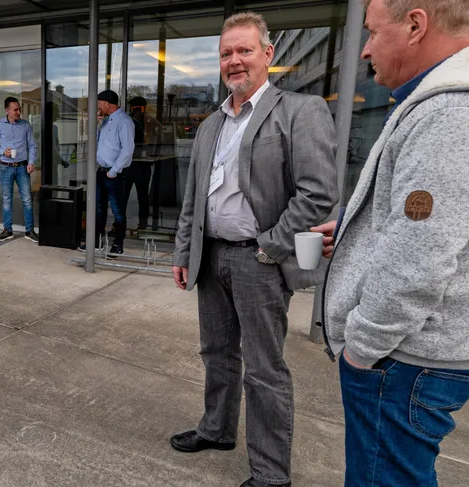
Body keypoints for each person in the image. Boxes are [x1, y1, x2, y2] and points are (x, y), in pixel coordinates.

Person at [311, 0, 469, 484]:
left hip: (407, 357)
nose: (366, 48)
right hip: (436, 345)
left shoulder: (458, 118)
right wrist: (360, 230)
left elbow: (418, 261)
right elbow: (444, 227)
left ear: (415, 25)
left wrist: (363, 347)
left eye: (372, 32)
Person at [170, 12, 339, 487]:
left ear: (268, 54)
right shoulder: (211, 124)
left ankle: (270, 473)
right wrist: (185, 251)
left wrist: (270, 247)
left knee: (265, 368)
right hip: (212, 258)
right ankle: (217, 429)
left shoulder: (299, 111)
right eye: (226, 53)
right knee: (216, 353)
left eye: (244, 50)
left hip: (258, 260)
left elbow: (317, 195)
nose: (234, 60)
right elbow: (193, 199)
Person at [79, 89, 133, 257]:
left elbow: (128, 150)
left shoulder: (124, 122)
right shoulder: (106, 121)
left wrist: (114, 171)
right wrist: (96, 124)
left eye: (99, 103)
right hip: (101, 172)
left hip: (114, 174)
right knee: (98, 209)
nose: (98, 106)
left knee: (117, 211)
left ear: (107, 104)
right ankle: (96, 242)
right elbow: (96, 142)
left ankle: (118, 244)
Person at [0, 96, 38, 242]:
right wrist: (3, 152)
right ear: (7, 110)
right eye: (15, 110)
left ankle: (29, 231)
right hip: (6, 167)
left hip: (23, 167)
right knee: (6, 200)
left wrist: (31, 162)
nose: (18, 112)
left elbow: (32, 145)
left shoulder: (25, 125)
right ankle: (7, 230)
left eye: (19, 109)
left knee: (27, 200)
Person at [123, 96, 160, 232]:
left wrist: (153, 156)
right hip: (128, 164)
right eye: (133, 108)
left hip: (143, 165)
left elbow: (159, 141)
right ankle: (119, 224)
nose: (135, 111)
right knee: (123, 196)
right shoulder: (125, 122)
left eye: (138, 108)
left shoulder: (152, 123)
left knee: (143, 197)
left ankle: (143, 225)